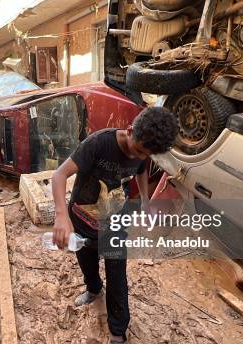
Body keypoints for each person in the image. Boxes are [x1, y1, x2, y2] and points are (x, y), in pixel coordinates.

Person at [51, 107, 179, 344]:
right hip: (81, 218)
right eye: (138, 150)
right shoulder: (98, 144)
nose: (139, 157)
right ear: (130, 131)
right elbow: (58, 175)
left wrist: (144, 200)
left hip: (114, 224)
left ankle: (118, 331)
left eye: (146, 154)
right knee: (87, 261)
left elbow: (141, 169)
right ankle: (93, 289)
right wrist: (61, 216)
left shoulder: (143, 151)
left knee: (117, 275)